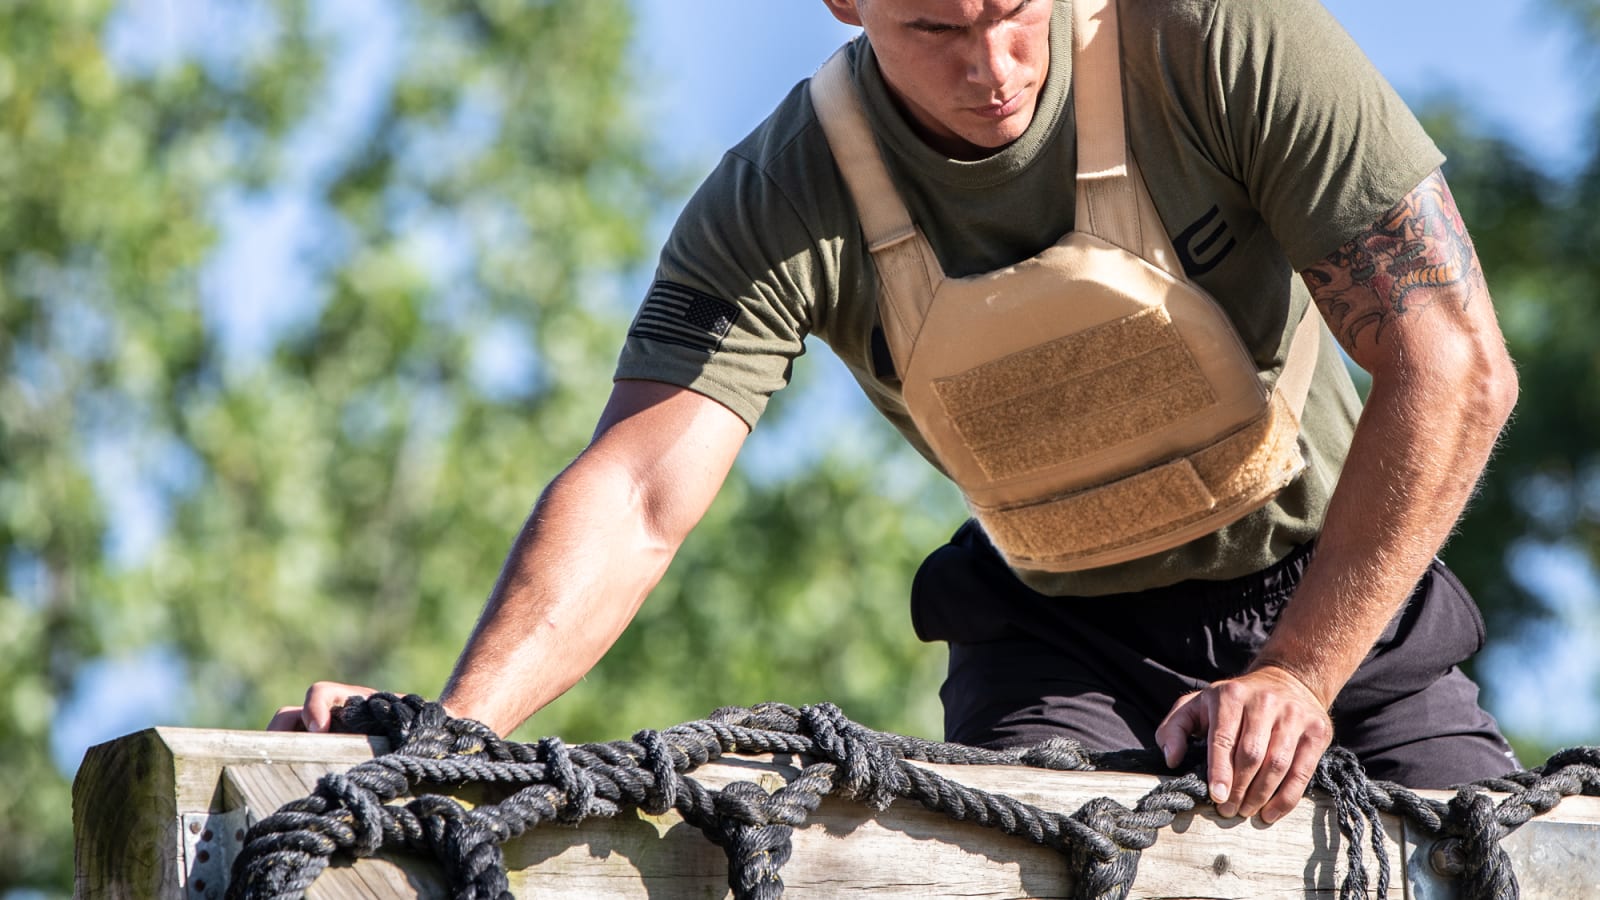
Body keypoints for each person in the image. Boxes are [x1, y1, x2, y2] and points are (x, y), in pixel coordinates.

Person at [272, 0, 1521, 827]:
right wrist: (451, 733)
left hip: (1334, 604)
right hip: (1058, 646)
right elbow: (640, 495)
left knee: (1497, 864)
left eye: (1015, 14)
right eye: (935, 26)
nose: (992, 70)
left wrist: (1297, 673)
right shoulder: (781, 196)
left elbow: (1455, 366)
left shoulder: (1213, 40)